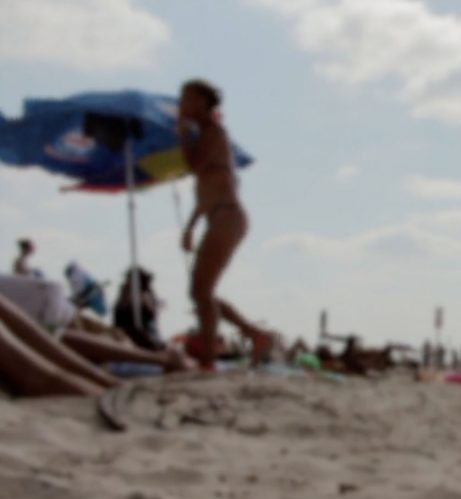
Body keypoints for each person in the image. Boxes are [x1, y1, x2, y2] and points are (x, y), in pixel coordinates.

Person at [177, 78, 272, 370]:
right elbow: (206, 190)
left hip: (227, 216)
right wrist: (191, 226)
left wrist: (181, 136)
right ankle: (254, 334)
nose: (181, 104)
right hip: (219, 215)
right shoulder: (207, 134)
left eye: (187, 99)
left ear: (203, 103)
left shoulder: (214, 133)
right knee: (200, 291)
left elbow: (197, 166)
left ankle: (209, 359)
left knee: (201, 292)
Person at [0, 287, 190, 397]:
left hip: (43, 304)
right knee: (51, 351)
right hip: (44, 304)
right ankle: (106, 383)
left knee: (52, 350)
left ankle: (106, 384)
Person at [113, 267, 165, 351]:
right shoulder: (126, 294)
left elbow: (151, 318)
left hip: (144, 335)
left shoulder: (145, 296)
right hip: (127, 336)